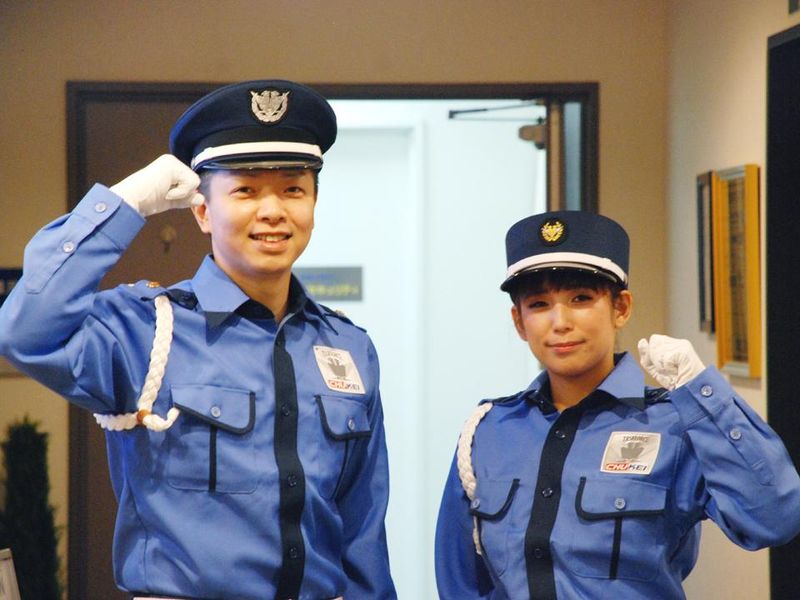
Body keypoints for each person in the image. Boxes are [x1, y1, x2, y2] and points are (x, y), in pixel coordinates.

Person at [0, 79, 396, 600]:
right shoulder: (146, 330)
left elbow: (363, 533)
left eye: (293, 189)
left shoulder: (348, 347)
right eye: (245, 190)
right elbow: (23, 332)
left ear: (314, 204)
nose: (273, 211)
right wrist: (123, 205)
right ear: (203, 212)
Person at [434, 210, 800, 599]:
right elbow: (461, 583)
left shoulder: (676, 423)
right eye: (539, 304)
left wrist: (703, 392)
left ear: (621, 308)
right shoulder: (489, 431)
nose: (560, 322)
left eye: (581, 298)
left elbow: (773, 519)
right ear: (519, 322)